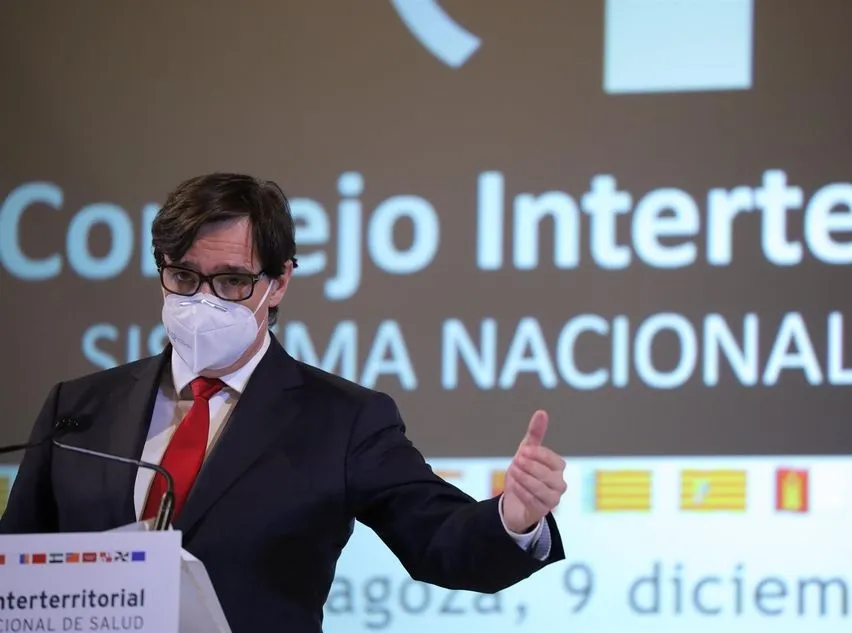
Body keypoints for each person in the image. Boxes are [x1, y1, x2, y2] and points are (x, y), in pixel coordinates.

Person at [0, 173, 567, 632]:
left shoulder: (341, 420)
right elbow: (15, 571)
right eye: (183, 276)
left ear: (279, 283)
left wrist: (514, 519)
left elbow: (439, 542)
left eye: (231, 282)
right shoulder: (77, 407)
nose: (202, 300)